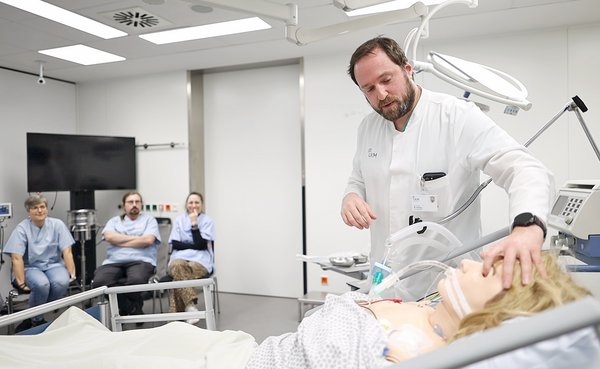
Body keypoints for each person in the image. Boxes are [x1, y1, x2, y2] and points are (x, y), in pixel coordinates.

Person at [0, 252, 597, 369]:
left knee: (87, 352)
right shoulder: (425, 314)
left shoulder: (415, 352)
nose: (470, 263)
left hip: (239, 363)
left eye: (487, 271)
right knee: (101, 337)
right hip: (237, 347)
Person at [340, 36, 554, 297]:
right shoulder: (368, 128)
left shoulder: (457, 116)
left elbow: (524, 168)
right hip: (385, 283)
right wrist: (351, 197)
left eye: (386, 80)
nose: (381, 95)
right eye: (369, 89)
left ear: (408, 70)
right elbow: (358, 179)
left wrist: (527, 226)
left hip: (446, 286)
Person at [2, 195, 76, 330]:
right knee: (42, 284)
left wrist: (71, 273)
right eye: (35, 207)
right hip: (31, 268)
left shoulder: (57, 225)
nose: (39, 210)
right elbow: (16, 257)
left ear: (47, 209)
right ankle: (36, 319)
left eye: (42, 207)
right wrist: (21, 283)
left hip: (53, 265)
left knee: (61, 282)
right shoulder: (22, 229)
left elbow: (67, 251)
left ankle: (34, 314)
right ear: (29, 211)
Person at [91, 191, 161, 316]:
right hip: (114, 261)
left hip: (141, 260)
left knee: (137, 280)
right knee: (99, 282)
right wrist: (137, 239)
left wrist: (120, 241)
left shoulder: (149, 220)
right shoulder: (114, 221)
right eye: (130, 202)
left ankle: (125, 309)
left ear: (141, 205)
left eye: (137, 202)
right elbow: (108, 236)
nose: (134, 204)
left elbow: (148, 240)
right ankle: (132, 308)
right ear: (124, 206)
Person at [167, 191, 215, 324]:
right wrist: (195, 245)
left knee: (180, 273)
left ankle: (174, 315)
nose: (193, 205)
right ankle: (190, 306)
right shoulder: (179, 220)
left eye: (197, 202)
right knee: (178, 265)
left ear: (202, 204)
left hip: (200, 260)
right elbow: (175, 243)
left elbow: (200, 245)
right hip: (179, 258)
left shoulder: (208, 221)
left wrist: (194, 224)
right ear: (186, 204)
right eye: (191, 202)